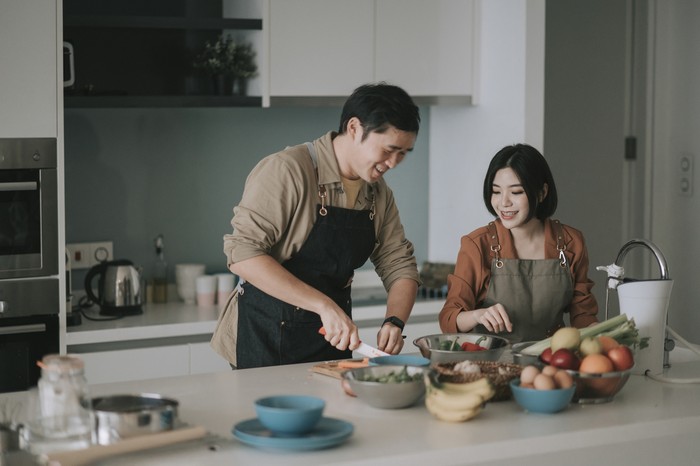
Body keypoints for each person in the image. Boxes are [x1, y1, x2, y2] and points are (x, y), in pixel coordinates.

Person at [211, 83, 422, 369]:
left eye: (404, 153)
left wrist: (394, 321)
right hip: (266, 339)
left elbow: (400, 265)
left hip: (331, 342)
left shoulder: (377, 193)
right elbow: (243, 255)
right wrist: (323, 306)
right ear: (355, 128)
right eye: (389, 149)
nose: (394, 163)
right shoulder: (288, 170)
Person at [439, 143, 598, 342]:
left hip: (552, 361)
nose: (503, 202)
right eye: (496, 191)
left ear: (541, 193)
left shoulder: (570, 243)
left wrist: (604, 334)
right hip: (493, 365)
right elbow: (448, 319)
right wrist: (477, 315)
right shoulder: (477, 245)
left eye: (516, 192)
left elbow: (583, 315)